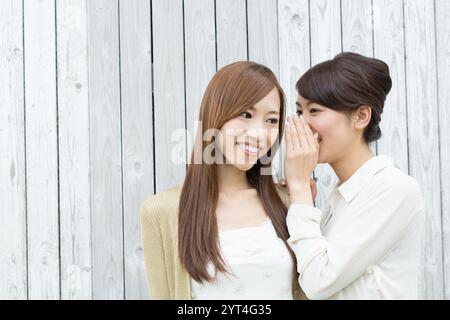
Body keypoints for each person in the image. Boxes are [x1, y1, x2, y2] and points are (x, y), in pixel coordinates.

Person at [140, 61, 305, 299]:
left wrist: (302, 193)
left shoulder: (289, 204)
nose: (258, 134)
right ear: (215, 116)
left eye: (271, 120)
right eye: (246, 114)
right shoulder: (160, 212)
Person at [283, 52, 425, 299]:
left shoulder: (394, 188)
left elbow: (318, 282)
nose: (301, 124)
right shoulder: (340, 197)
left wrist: (299, 190)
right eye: (299, 111)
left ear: (361, 117)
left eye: (314, 111)